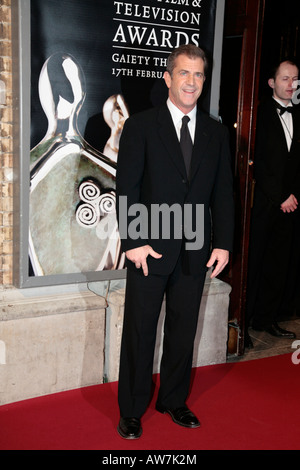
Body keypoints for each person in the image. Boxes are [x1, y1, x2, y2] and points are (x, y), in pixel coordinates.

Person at [116, 44, 234, 439]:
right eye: (184, 73)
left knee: (184, 329)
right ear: (168, 78)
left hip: (196, 250)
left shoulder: (217, 132)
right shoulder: (141, 126)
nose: (192, 82)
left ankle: (173, 399)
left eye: (199, 75)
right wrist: (132, 241)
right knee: (140, 329)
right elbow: (127, 187)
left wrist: (223, 243)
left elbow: (224, 194)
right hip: (148, 249)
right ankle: (131, 409)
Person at [245, 59, 300, 348]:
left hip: (292, 206)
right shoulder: (258, 113)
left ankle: (267, 319)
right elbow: (258, 162)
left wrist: (294, 196)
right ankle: (245, 322)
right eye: (285, 79)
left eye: (295, 80)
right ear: (272, 82)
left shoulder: (298, 114)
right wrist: (280, 196)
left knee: (279, 265)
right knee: (255, 263)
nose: (291, 85)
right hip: (264, 204)